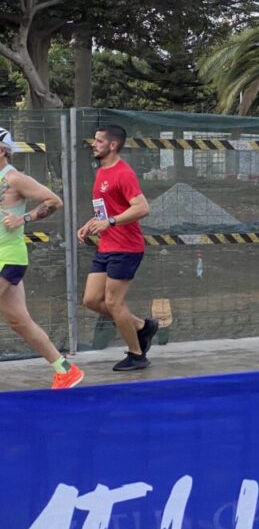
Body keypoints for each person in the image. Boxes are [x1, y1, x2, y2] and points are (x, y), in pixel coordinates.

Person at [0, 128, 83, 388]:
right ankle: (65, 369)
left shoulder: (14, 178)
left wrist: (23, 219)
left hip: (9, 257)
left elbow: (54, 200)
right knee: (19, 322)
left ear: (2, 150)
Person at [77, 124, 157, 372]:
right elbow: (107, 210)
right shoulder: (102, 172)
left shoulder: (124, 173)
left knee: (113, 302)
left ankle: (137, 354)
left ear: (113, 145)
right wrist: (91, 224)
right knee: (91, 300)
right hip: (107, 246)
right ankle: (142, 326)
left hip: (126, 247)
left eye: (99, 141)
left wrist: (109, 222)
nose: (94, 144)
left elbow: (142, 208)